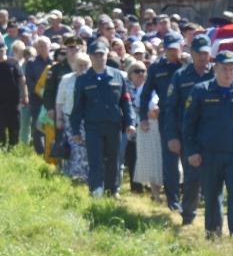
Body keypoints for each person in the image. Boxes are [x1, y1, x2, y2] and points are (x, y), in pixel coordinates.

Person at [183, 49, 233, 245]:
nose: (228, 72)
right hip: (208, 154)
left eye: (231, 68)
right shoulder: (201, 91)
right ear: (215, 68)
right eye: (223, 68)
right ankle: (213, 235)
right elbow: (188, 124)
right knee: (212, 196)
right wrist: (192, 151)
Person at [70, 41, 137, 197]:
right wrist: (75, 130)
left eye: (102, 54)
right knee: (96, 159)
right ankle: (96, 189)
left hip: (113, 125)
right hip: (93, 126)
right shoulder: (83, 79)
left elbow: (125, 102)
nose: (100, 58)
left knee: (113, 160)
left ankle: (112, 189)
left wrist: (130, 122)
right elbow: (77, 108)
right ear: (91, 57)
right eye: (96, 55)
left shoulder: (118, 76)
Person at [164, 33, 213, 226]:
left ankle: (213, 217)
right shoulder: (180, 76)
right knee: (192, 177)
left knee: (212, 177)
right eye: (198, 53)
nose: (202, 57)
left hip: (212, 135)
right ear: (191, 53)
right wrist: (172, 136)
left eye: (205, 53)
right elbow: (170, 109)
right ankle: (189, 215)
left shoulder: (217, 73)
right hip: (189, 135)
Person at [141, 32, 183, 211]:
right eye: (170, 49)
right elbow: (145, 93)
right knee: (170, 161)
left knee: (191, 158)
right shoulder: (156, 68)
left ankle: (192, 196)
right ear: (164, 49)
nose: (174, 52)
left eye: (176, 48)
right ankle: (173, 200)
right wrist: (143, 116)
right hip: (168, 118)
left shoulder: (188, 64)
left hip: (190, 116)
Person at [56, 52, 91, 182]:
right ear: (75, 66)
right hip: (69, 118)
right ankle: (74, 174)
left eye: (85, 65)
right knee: (74, 146)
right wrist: (58, 118)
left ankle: (86, 175)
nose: (82, 67)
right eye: (80, 65)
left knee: (86, 147)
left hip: (87, 119)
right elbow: (59, 100)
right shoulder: (66, 79)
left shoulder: (91, 79)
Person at [131, 61, 164, 201]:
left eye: (143, 71)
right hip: (147, 128)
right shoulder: (140, 91)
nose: (141, 74)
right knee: (151, 161)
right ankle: (155, 194)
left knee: (161, 160)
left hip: (158, 126)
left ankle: (159, 192)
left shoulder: (158, 87)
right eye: (137, 71)